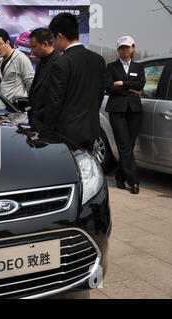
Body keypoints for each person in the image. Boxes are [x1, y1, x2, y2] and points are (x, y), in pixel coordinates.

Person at [39, 13, 106, 153]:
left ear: (60, 36)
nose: (54, 43)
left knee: (68, 172)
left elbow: (55, 102)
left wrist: (45, 133)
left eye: (53, 39)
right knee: (86, 169)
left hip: (66, 134)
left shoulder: (61, 63)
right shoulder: (98, 60)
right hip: (91, 129)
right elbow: (99, 96)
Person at [105, 36, 145, 195]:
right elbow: (108, 87)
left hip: (134, 111)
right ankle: (133, 181)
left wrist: (121, 83)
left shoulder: (139, 67)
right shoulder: (111, 67)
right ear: (118, 50)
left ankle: (120, 176)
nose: (124, 50)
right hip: (117, 110)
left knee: (129, 146)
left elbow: (140, 84)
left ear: (133, 48)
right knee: (124, 145)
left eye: (127, 47)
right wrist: (130, 88)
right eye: (121, 48)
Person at [27, 28, 60, 133]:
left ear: (45, 44)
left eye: (33, 47)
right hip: (35, 125)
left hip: (48, 128)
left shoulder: (59, 64)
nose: (31, 51)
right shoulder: (40, 61)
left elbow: (57, 100)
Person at [0, 28, 34, 101]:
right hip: (8, 108)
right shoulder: (2, 62)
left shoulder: (20, 58)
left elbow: (31, 84)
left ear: (7, 42)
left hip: (20, 109)